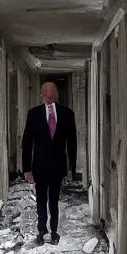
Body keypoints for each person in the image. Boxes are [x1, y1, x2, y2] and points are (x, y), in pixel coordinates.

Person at [21, 81, 77, 245]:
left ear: (57, 95)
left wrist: (72, 167)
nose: (50, 99)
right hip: (39, 165)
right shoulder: (34, 114)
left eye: (52, 95)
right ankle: (41, 231)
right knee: (41, 200)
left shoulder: (67, 113)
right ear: (42, 96)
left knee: (54, 200)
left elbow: (72, 142)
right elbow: (27, 142)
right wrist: (26, 169)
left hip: (58, 165)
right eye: (47, 95)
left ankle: (54, 231)